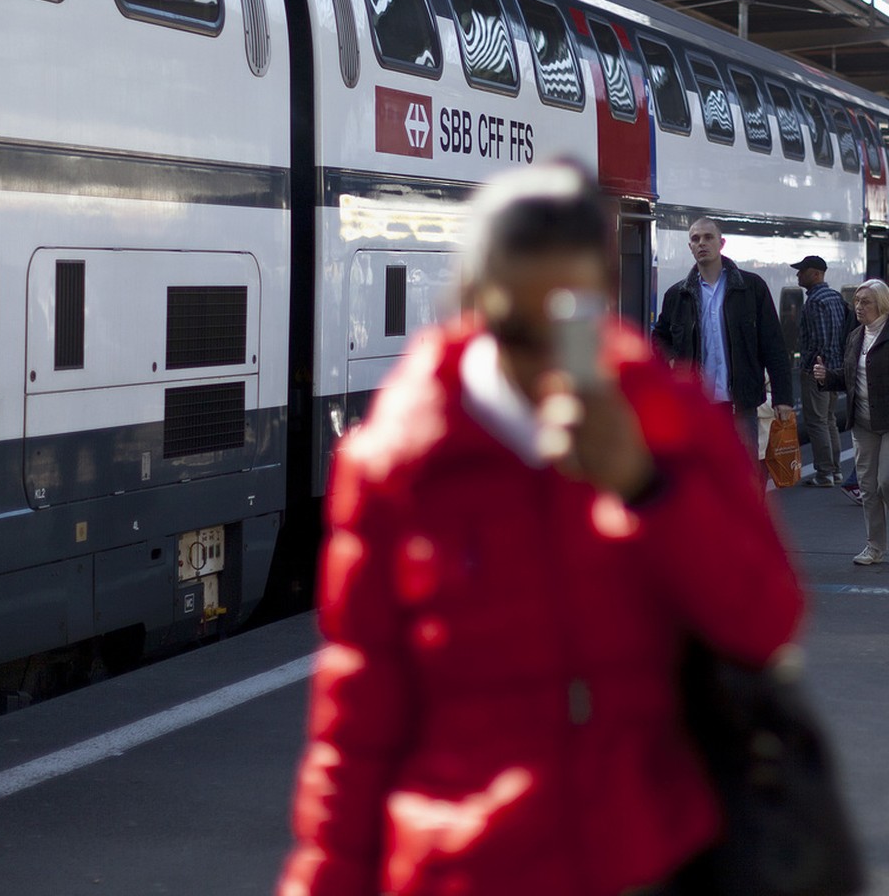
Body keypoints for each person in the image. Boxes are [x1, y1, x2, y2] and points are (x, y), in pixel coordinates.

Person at [280, 163, 804, 896]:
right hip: (466, 866)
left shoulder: (672, 423)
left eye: (570, 319)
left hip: (648, 857)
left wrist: (647, 489)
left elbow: (764, 620)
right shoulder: (399, 464)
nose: (542, 363)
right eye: (517, 329)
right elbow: (357, 726)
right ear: (469, 300)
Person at [653, 217, 794, 452]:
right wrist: (670, 360)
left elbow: (773, 344)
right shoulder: (677, 295)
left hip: (741, 405)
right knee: (701, 475)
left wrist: (783, 398)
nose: (701, 243)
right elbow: (659, 337)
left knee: (744, 473)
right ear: (690, 247)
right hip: (696, 405)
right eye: (695, 239)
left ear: (721, 243)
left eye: (708, 237)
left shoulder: (751, 288)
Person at [813, 280, 889, 566]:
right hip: (864, 422)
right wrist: (828, 376)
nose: (859, 307)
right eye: (857, 301)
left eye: (865, 301)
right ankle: (874, 546)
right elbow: (852, 376)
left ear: (883, 304)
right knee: (867, 486)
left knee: (888, 481)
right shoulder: (855, 336)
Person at [793, 255, 849, 487]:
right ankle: (835, 470)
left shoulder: (815, 301)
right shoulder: (835, 297)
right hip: (836, 368)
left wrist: (810, 366)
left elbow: (821, 340)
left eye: (802, 271)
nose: (798, 275)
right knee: (829, 419)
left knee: (816, 421)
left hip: (820, 370)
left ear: (816, 274)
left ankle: (824, 472)